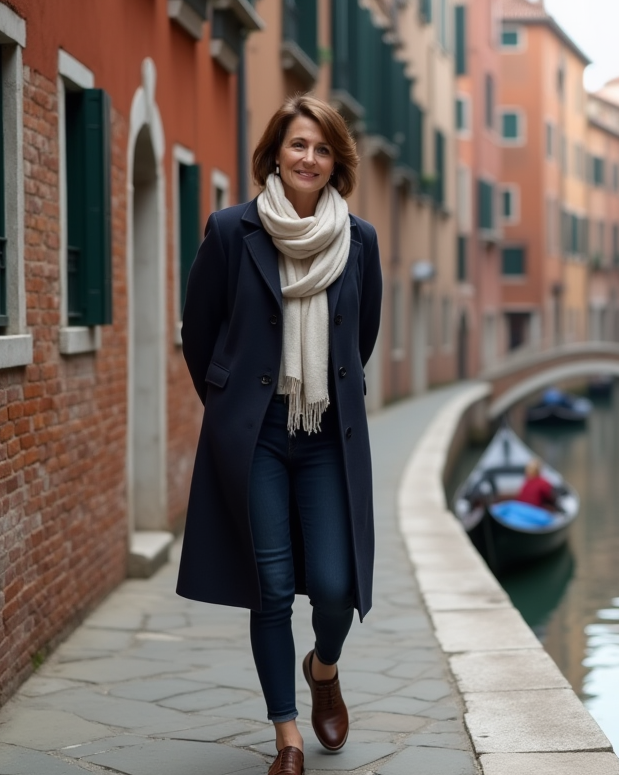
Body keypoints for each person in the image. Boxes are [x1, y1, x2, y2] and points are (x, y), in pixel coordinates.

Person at [177, 95, 382, 775]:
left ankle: (323, 668)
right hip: (256, 437)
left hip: (326, 435)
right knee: (269, 587)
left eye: (322, 149)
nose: (309, 158)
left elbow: (362, 336)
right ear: (276, 151)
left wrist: (322, 389)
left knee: (332, 585)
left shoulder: (360, 242)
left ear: (335, 164)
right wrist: (233, 397)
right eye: (299, 144)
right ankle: (287, 738)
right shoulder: (232, 231)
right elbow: (199, 332)